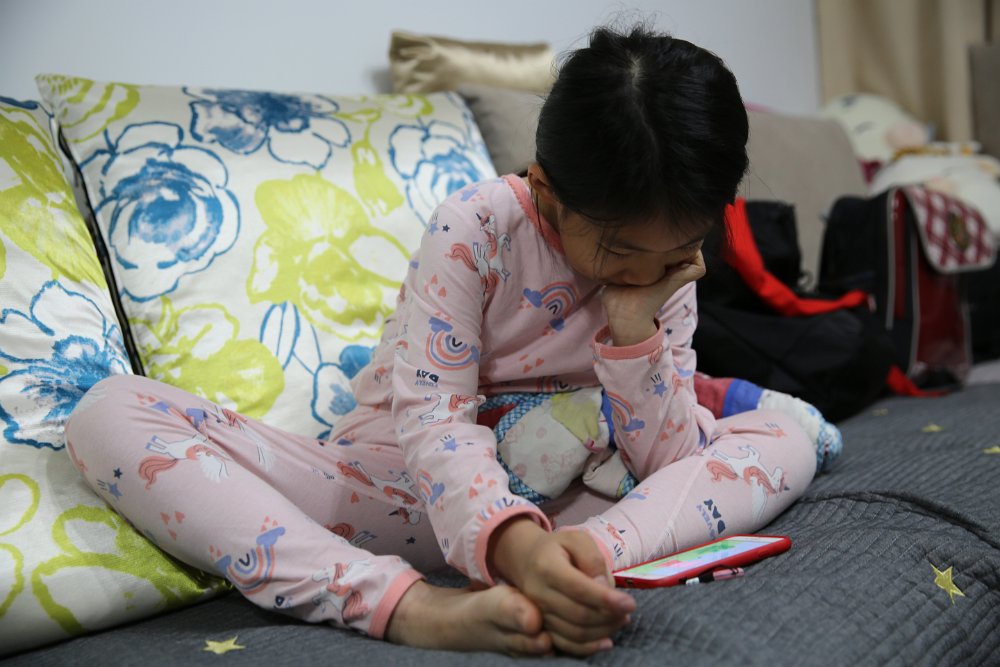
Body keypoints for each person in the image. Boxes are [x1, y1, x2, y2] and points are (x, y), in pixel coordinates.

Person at [65, 25, 820, 657]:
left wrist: (634, 331)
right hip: (412, 493)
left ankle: (584, 561)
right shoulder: (478, 227)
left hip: (583, 500)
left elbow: (670, 465)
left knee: (787, 435)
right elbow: (434, 423)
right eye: (621, 252)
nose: (651, 272)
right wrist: (511, 541)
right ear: (547, 192)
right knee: (109, 412)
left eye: (679, 248)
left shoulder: (669, 268)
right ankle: (407, 605)